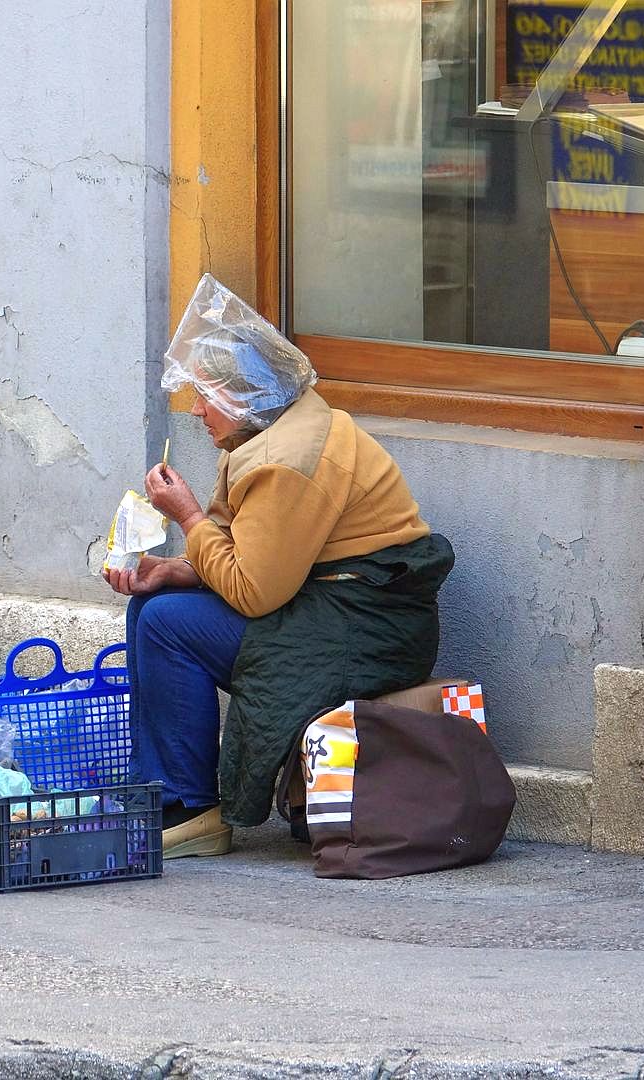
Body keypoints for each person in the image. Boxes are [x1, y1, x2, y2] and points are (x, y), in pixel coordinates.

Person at [104, 278, 454, 859]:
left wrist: (187, 516)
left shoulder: (285, 459)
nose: (196, 410)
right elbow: (243, 549)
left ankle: (194, 807)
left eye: (206, 396)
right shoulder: (268, 429)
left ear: (246, 396)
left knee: (167, 624)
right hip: (327, 601)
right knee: (151, 604)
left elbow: (253, 590)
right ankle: (165, 790)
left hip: (367, 626)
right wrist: (173, 570)